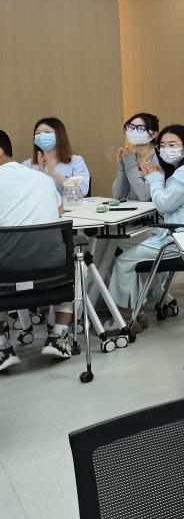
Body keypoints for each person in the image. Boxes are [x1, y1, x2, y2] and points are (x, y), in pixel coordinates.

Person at [107, 125, 184, 332]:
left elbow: (164, 204)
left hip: (179, 240)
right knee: (135, 255)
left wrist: (155, 179)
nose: (166, 150)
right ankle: (137, 313)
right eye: (163, 146)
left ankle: (123, 318)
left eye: (172, 145)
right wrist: (159, 176)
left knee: (124, 260)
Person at [0, 129, 73, 368]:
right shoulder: (42, 179)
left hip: (5, 277)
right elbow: (59, 211)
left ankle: (2, 347)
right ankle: (59, 335)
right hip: (54, 274)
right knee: (76, 263)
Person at [24, 117, 90, 196]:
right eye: (38, 133)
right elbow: (25, 194)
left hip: (67, 204)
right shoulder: (27, 164)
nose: (41, 136)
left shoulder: (76, 161)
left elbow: (83, 191)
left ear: (59, 135)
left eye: (47, 132)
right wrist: (41, 172)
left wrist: (53, 173)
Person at [113, 112, 160, 201]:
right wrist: (122, 167)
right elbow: (118, 196)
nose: (133, 131)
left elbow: (145, 196)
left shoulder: (159, 158)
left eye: (141, 128)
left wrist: (130, 164)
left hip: (152, 209)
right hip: (133, 209)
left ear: (154, 134)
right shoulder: (130, 157)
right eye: (130, 127)